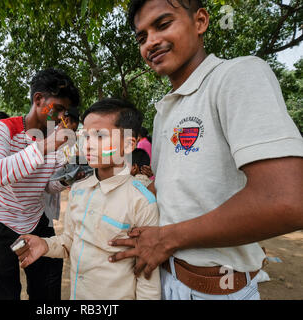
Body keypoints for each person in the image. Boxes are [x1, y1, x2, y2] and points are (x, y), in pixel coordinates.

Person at [109, 0, 303, 300]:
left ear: (200, 21)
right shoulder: (165, 110)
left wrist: (166, 239)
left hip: (216, 290)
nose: (151, 42)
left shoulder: (237, 75)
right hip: (165, 278)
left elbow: (287, 200)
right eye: (141, 36)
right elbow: (176, 190)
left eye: (162, 25)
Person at [15, 98, 161, 300]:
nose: (88, 145)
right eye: (86, 136)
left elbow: (148, 280)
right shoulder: (78, 190)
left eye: (100, 136)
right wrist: (45, 245)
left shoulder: (142, 201)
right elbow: (70, 241)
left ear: (128, 144)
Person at [0, 68, 80, 300]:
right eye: (58, 109)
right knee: (6, 292)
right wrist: (45, 146)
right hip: (1, 222)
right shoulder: (5, 128)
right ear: (38, 100)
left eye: (66, 111)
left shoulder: (56, 137)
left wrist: (69, 177)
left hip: (36, 219)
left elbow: (48, 185)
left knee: (46, 291)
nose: (62, 116)